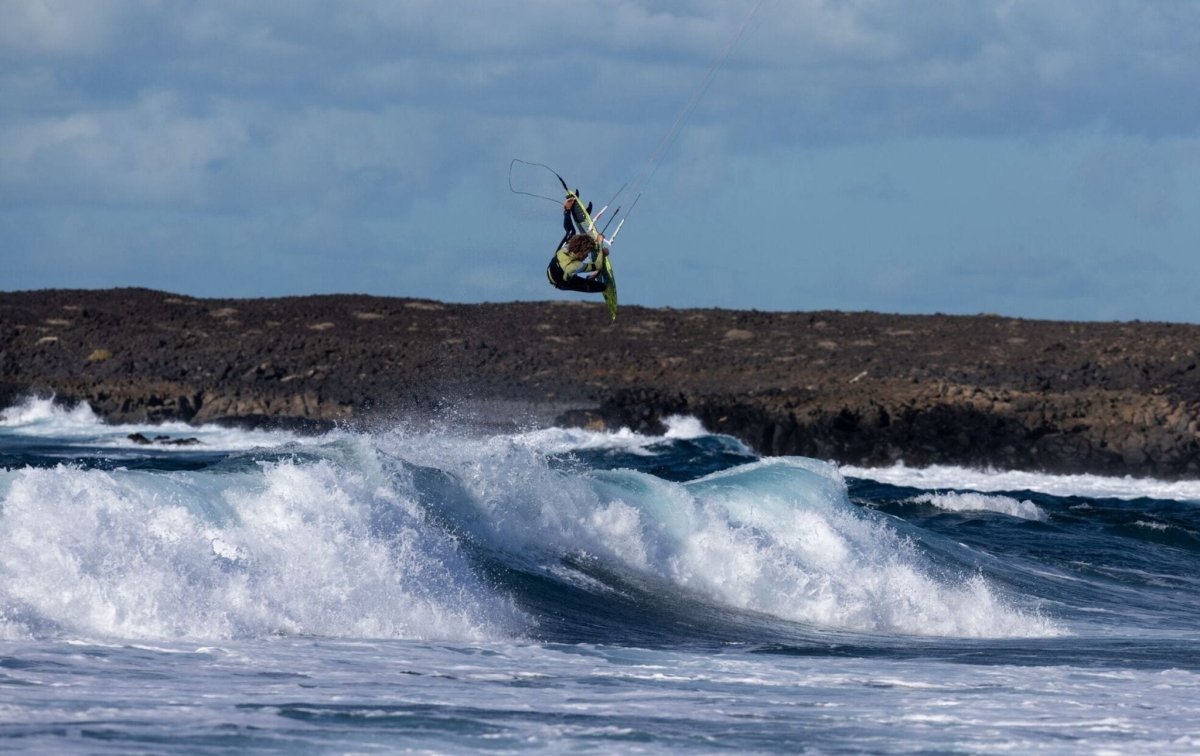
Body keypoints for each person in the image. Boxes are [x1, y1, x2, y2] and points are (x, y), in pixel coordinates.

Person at [546, 227, 609, 293]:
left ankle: (588, 274)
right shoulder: (575, 266)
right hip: (561, 282)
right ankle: (589, 277)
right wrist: (601, 250)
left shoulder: (567, 247)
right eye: (586, 253)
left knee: (571, 231)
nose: (587, 256)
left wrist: (597, 239)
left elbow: (582, 240)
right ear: (581, 252)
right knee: (601, 287)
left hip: (555, 268)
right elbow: (598, 265)